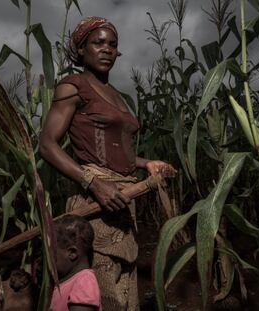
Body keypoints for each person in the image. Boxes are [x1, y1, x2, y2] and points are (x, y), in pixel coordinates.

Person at [40, 16, 175, 310]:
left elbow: (118, 152)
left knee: (124, 284)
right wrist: (92, 182)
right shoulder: (73, 87)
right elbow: (47, 144)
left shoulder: (117, 96)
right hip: (95, 202)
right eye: (98, 42)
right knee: (95, 291)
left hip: (124, 200)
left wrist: (146, 163)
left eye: (113, 44)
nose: (107, 49)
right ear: (81, 49)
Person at [50, 215, 101, 311]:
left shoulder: (84, 281)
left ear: (72, 253)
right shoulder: (65, 280)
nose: (48, 260)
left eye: (51, 254)